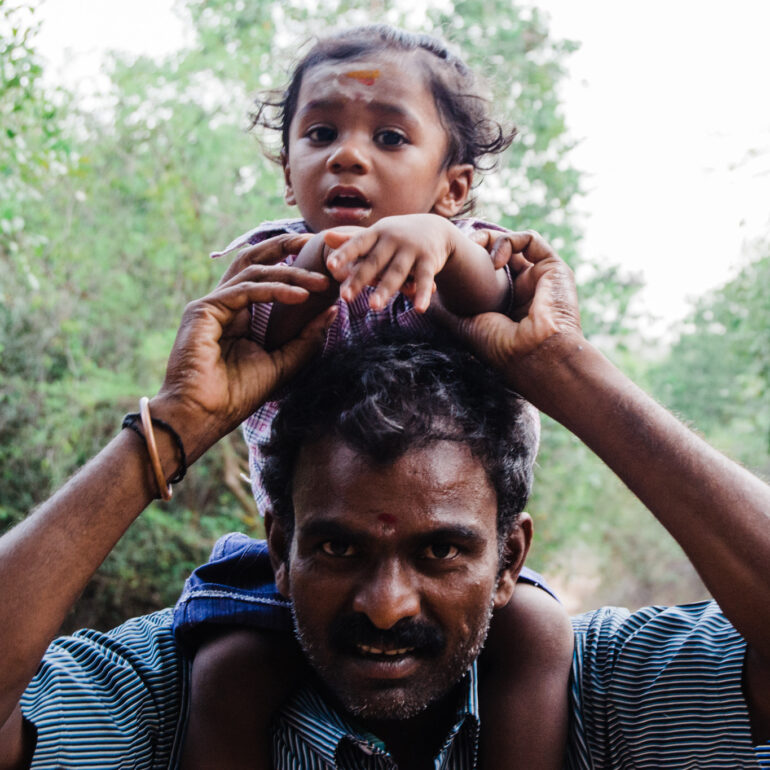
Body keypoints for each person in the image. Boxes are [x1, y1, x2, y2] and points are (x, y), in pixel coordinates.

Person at [1, 229, 769, 769]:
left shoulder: (599, 692)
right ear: (277, 551)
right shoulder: (163, 696)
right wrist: (171, 431)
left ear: (511, 560)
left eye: (441, 549)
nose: (386, 605)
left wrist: (562, 366)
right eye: (337, 547)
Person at [180, 24, 572, 770]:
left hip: (445, 540)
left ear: (452, 185)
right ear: (290, 171)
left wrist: (441, 242)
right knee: (227, 670)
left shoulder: (472, 252)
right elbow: (270, 327)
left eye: (389, 138)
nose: (348, 156)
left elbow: (496, 303)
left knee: (539, 635)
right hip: (303, 556)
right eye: (321, 134)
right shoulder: (275, 257)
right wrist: (318, 263)